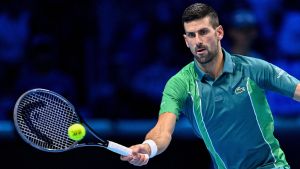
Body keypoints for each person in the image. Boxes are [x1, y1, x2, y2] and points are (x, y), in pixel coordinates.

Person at [120, 3, 300, 169]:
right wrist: (149, 147)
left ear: (219, 32)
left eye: (203, 32)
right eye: (191, 35)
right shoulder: (179, 84)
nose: (198, 40)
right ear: (186, 41)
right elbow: (162, 130)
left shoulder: (254, 68)